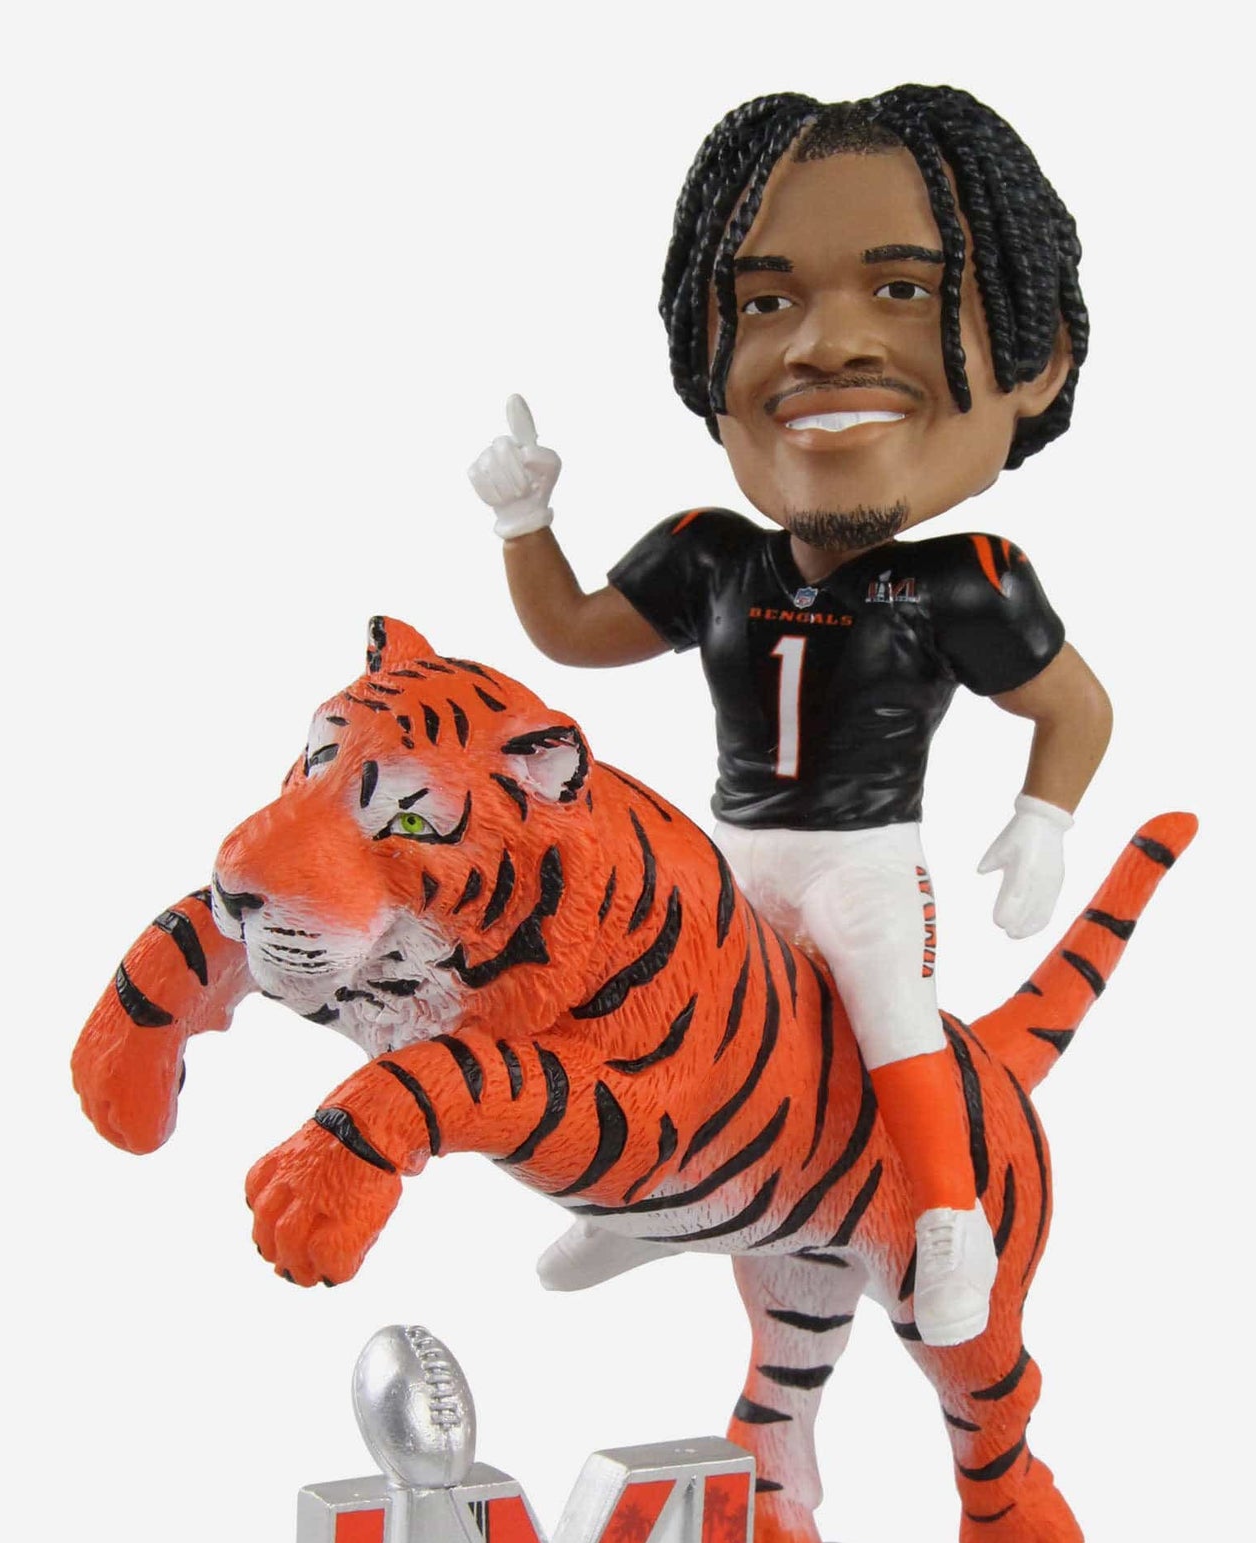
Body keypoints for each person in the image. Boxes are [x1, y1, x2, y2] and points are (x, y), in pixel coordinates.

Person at [467, 86, 1112, 1347]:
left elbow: (1074, 706)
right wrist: (522, 520)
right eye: (764, 304)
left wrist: (1043, 819)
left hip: (860, 856)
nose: (825, 345)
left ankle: (948, 1215)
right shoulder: (712, 555)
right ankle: (649, 1197)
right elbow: (572, 633)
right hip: (732, 850)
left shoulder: (959, 580)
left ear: (1028, 357)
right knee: (650, 1003)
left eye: (901, 289)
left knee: (888, 1020)